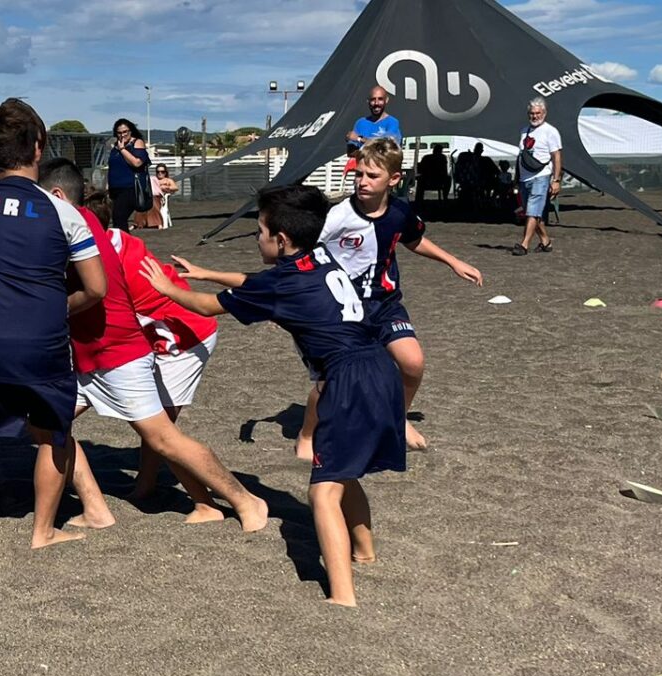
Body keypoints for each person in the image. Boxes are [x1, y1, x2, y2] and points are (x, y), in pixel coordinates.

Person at [142, 185, 403, 607]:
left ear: (280, 239)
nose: (256, 238)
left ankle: (342, 595)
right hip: (379, 367)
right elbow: (256, 284)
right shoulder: (320, 258)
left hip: (346, 379)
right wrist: (206, 271)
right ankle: (365, 551)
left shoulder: (283, 281)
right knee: (344, 471)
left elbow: (208, 307)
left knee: (322, 492)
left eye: (259, 231)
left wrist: (167, 287)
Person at [34, 163, 268, 534]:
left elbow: (107, 300)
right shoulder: (91, 230)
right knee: (50, 424)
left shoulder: (81, 235)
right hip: (113, 348)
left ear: (61, 200)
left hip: (173, 337)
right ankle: (129, 493)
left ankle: (233, 501)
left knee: (162, 435)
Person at [0, 98, 107, 562]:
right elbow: (96, 287)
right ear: (37, 146)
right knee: (54, 432)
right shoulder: (62, 211)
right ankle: (43, 530)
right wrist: (57, 305)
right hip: (43, 340)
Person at [314, 138, 483, 453]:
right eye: (359, 174)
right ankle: (315, 435)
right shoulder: (337, 215)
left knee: (413, 363)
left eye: (372, 176)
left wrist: (452, 261)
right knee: (345, 377)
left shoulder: (400, 211)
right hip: (345, 309)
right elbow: (306, 251)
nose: (363, 181)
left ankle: (397, 417)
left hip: (386, 304)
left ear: (394, 179)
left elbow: (414, 240)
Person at [513, 98, 562, 256]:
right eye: (532, 113)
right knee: (533, 212)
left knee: (532, 211)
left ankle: (524, 244)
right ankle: (545, 241)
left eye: (538, 113)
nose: (535, 116)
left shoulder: (551, 131)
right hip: (524, 177)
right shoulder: (524, 130)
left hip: (541, 175)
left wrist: (556, 180)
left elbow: (556, 156)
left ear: (544, 113)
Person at [105, 118, 150, 231]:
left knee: (119, 218)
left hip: (129, 188)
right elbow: (113, 167)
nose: (122, 135)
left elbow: (137, 162)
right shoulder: (115, 146)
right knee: (117, 220)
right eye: (119, 132)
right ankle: (124, 244)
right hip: (115, 188)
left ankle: (126, 246)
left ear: (131, 131)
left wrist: (123, 149)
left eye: (125, 131)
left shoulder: (136, 142)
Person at [154, 164, 176, 229]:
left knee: (153, 201)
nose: (160, 173)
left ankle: (159, 223)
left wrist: (165, 187)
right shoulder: (154, 180)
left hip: (161, 198)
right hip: (152, 196)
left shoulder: (168, 180)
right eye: (158, 172)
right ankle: (136, 224)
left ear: (165, 172)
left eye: (162, 172)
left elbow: (175, 188)